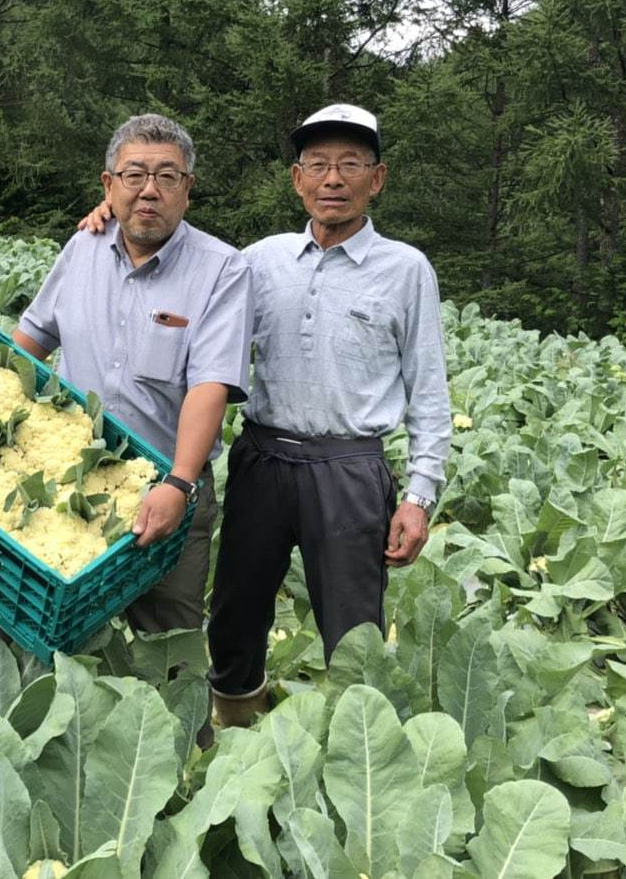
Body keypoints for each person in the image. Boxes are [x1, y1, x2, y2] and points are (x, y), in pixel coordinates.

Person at [79, 103, 450, 729]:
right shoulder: (257, 260)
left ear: (376, 179)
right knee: (236, 614)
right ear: (297, 179)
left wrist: (419, 494)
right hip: (262, 459)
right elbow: (181, 272)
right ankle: (236, 730)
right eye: (318, 165)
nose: (333, 179)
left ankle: (358, 748)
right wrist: (108, 219)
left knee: (353, 627)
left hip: (350, 468)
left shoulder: (406, 270)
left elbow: (430, 391)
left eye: (350, 165)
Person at [13, 113, 251, 656]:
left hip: (165, 488)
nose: (150, 190)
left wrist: (179, 483)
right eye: (134, 175)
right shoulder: (81, 249)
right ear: (108, 185)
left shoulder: (222, 269)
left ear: (187, 190)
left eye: (167, 177)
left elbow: (210, 385)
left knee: (169, 643)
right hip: (66, 479)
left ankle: (174, 739)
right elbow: (28, 344)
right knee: (23, 630)